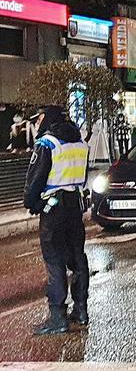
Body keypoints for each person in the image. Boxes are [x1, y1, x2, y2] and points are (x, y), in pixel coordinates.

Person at [23, 105, 90, 335]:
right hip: (75, 208)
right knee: (77, 258)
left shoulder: (47, 143)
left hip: (53, 210)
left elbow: (36, 179)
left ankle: (58, 317)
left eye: (40, 117)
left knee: (55, 261)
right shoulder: (81, 143)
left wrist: (32, 203)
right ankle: (81, 310)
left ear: (48, 119)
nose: (38, 121)